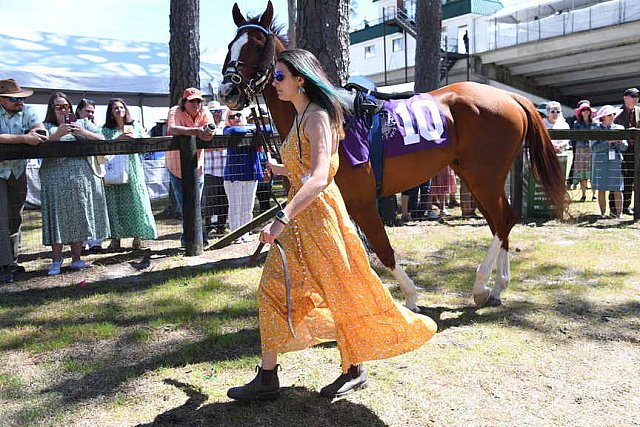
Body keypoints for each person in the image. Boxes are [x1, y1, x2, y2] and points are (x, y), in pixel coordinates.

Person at [226, 49, 436, 401]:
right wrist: (280, 170)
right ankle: (267, 376)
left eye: (280, 77)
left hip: (320, 218)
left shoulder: (317, 116)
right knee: (273, 290)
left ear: (300, 80)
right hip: (298, 222)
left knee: (339, 293)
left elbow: (321, 176)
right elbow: (303, 167)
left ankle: (353, 369)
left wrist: (281, 218)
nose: (274, 83)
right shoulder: (298, 115)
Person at [40, 91, 110, 275]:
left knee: (79, 215)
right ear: (51, 109)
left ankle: (77, 259)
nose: (64, 110)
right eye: (59, 107)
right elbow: (38, 145)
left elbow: (102, 139)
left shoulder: (83, 122)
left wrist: (82, 131)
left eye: (66, 106)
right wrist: (57, 134)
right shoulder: (45, 126)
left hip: (81, 178)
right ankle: (56, 260)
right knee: (58, 217)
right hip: (55, 177)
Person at [0, 79, 47, 283]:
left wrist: (32, 134)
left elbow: (41, 131)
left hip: (18, 171)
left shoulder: (28, 111)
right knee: (1, 218)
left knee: (15, 218)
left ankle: (12, 261)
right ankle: (4, 264)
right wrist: (23, 138)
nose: (20, 102)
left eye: (21, 98)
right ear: (1, 100)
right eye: (14, 99)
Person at [101, 98, 157, 250]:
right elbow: (101, 148)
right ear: (111, 113)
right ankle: (115, 238)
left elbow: (148, 144)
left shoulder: (134, 126)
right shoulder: (106, 130)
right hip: (113, 169)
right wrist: (117, 140)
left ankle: (137, 237)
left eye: (121, 107)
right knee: (114, 203)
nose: (119, 110)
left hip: (133, 168)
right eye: (115, 108)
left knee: (136, 200)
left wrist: (136, 141)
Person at [166, 88, 215, 245]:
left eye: (199, 101)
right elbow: (171, 129)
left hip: (197, 167)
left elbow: (211, 128)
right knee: (185, 204)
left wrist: (207, 133)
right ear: (184, 102)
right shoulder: (175, 110)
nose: (196, 104)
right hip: (176, 167)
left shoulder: (205, 112)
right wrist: (196, 131)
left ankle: (195, 238)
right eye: (192, 101)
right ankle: (191, 239)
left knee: (196, 204)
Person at [223, 110, 263, 243]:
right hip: (234, 175)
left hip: (251, 173)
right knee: (235, 208)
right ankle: (235, 235)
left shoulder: (251, 128)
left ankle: (245, 233)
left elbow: (267, 128)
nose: (235, 118)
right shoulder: (227, 129)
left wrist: (252, 128)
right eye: (231, 116)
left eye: (238, 115)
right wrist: (253, 129)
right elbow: (235, 131)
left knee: (248, 207)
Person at [76, 97, 104, 253]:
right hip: (76, 172)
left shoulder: (94, 127)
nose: (90, 114)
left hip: (93, 170)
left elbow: (101, 139)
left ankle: (96, 241)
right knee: (80, 206)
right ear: (79, 110)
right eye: (87, 111)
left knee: (95, 204)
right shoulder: (70, 125)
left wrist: (85, 132)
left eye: (92, 112)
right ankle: (82, 241)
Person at [591, 105, 626, 219]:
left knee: (618, 189)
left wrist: (620, 142)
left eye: (613, 114)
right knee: (601, 189)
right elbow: (594, 148)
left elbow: (624, 147)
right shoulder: (595, 129)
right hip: (600, 163)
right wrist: (609, 142)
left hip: (615, 162)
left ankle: (619, 215)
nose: (612, 116)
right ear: (603, 117)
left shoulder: (620, 128)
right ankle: (602, 214)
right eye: (609, 115)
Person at [612, 87, 640, 216]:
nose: (636, 99)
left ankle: (628, 206)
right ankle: (615, 208)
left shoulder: (639, 111)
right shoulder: (617, 113)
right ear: (625, 98)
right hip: (622, 151)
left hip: (636, 151)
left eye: (637, 97)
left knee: (634, 178)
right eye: (633, 96)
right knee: (621, 179)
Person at [202, 101, 229, 235]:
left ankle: (221, 225)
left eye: (218, 112)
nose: (216, 114)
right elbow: (201, 148)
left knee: (224, 199)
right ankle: (208, 226)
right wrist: (217, 147)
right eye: (213, 112)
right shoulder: (205, 126)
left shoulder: (226, 126)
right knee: (210, 200)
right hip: (210, 169)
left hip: (225, 169)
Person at [249, 107, 275, 214]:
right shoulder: (250, 132)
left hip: (266, 166)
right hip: (255, 166)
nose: (259, 121)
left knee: (266, 195)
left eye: (261, 119)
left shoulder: (268, 131)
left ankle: (266, 215)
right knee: (258, 194)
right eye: (256, 119)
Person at [571, 101, 597, 202]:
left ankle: (594, 195)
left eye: (587, 110)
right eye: (583, 110)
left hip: (592, 149)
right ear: (580, 112)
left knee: (593, 172)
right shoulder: (576, 124)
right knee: (582, 174)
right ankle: (583, 194)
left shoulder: (594, 123)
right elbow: (577, 137)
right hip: (581, 149)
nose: (586, 112)